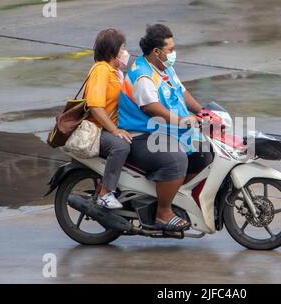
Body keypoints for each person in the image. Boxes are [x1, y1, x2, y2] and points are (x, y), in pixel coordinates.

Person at [118, 24, 212, 231]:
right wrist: (182, 120)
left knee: (204, 155)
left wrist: (204, 112)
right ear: (157, 52)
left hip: (165, 131)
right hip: (141, 135)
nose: (173, 53)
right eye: (170, 50)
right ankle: (163, 213)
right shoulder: (143, 75)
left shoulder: (164, 67)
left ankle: (171, 197)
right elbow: (152, 108)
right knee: (177, 161)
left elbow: (182, 92)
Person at [85, 28, 133, 209]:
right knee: (120, 146)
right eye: (122, 48)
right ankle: (105, 193)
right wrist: (115, 131)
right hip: (98, 129)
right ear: (112, 50)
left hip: (110, 126)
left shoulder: (116, 72)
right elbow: (95, 106)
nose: (125, 52)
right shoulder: (101, 70)